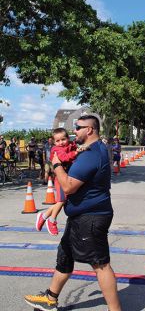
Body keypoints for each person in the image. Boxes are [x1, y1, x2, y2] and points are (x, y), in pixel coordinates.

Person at [25, 115, 121, 311]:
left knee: (100, 264)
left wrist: (57, 163)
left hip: (91, 218)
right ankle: (50, 298)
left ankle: (115, 309)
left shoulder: (91, 155)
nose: (74, 131)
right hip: (81, 216)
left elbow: (68, 186)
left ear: (90, 130)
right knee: (65, 255)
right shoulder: (91, 150)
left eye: (78, 127)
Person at [35, 128, 78, 236]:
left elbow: (73, 146)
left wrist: (76, 146)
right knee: (61, 201)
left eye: (63, 139)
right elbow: (64, 158)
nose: (61, 142)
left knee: (63, 201)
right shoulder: (56, 149)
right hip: (59, 178)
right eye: (58, 141)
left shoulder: (70, 145)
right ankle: (52, 221)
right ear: (54, 142)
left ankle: (44, 216)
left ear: (68, 138)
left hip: (67, 177)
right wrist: (76, 152)